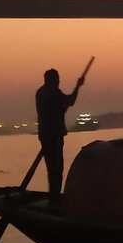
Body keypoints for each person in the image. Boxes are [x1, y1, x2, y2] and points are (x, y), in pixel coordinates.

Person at [35, 68, 84, 197]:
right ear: (51, 80)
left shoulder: (41, 93)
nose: (58, 81)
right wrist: (78, 86)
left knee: (52, 168)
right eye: (57, 79)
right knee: (56, 168)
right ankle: (54, 196)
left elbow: (59, 106)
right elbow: (70, 101)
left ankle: (54, 194)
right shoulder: (53, 93)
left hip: (45, 135)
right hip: (54, 136)